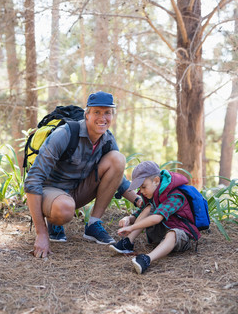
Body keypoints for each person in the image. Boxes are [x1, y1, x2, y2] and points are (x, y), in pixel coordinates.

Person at [24, 91, 142, 258]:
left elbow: (117, 178)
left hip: (76, 192)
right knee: (64, 208)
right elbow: (33, 179)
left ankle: (93, 224)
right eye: (97, 112)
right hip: (51, 192)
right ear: (87, 114)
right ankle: (52, 222)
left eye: (107, 112)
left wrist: (140, 201)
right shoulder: (65, 134)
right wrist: (40, 232)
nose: (103, 118)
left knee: (117, 159)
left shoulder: (107, 138)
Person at [109, 161, 200, 274]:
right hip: (161, 233)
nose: (140, 191)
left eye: (143, 187)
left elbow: (157, 218)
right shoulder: (152, 194)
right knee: (148, 208)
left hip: (180, 236)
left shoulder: (175, 195)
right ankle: (128, 242)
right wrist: (129, 218)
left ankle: (147, 259)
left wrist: (132, 227)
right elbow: (141, 213)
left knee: (173, 233)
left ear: (156, 181)